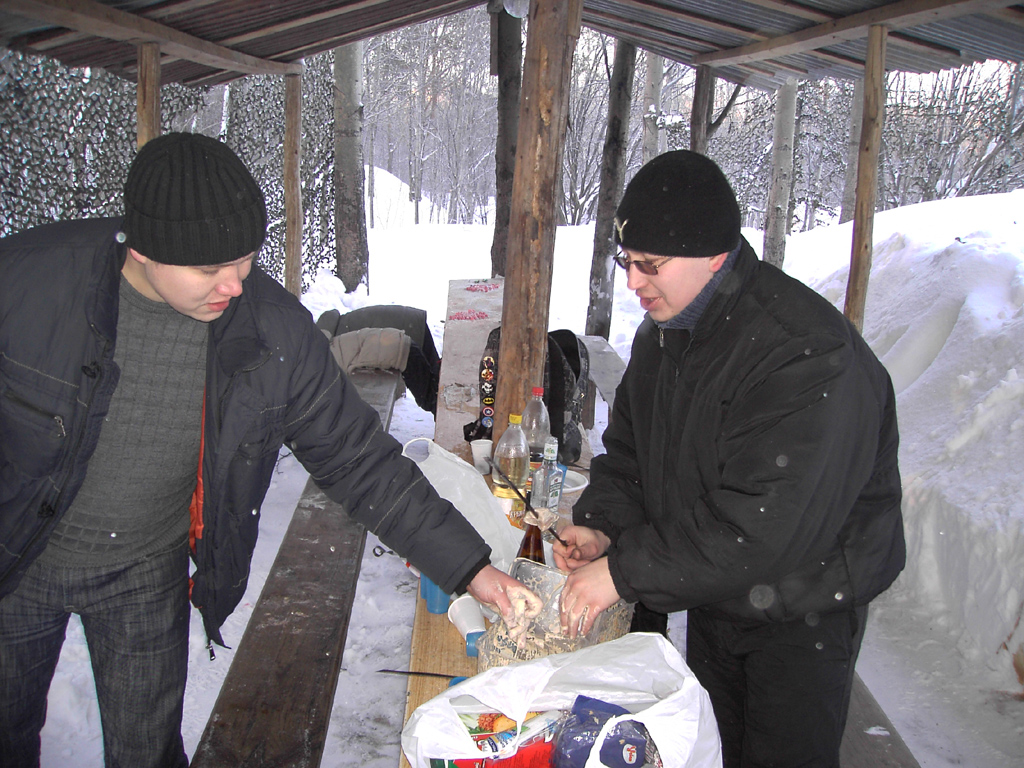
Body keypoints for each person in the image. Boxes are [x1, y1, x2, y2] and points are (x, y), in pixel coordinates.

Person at [0, 132, 535, 768]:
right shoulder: (26, 285)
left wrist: (472, 569)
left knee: (147, 750)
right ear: (142, 249)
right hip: (18, 554)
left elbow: (359, 459)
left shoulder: (270, 327)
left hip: (144, 568)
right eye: (209, 270)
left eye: (246, 259)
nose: (234, 285)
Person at [553, 150, 905, 768]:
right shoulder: (667, 332)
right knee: (715, 745)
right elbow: (632, 453)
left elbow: (764, 527)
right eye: (626, 261)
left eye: (650, 264)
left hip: (804, 607)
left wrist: (623, 574)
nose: (633, 282)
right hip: (716, 586)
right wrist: (603, 526)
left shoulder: (804, 352)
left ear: (713, 255)